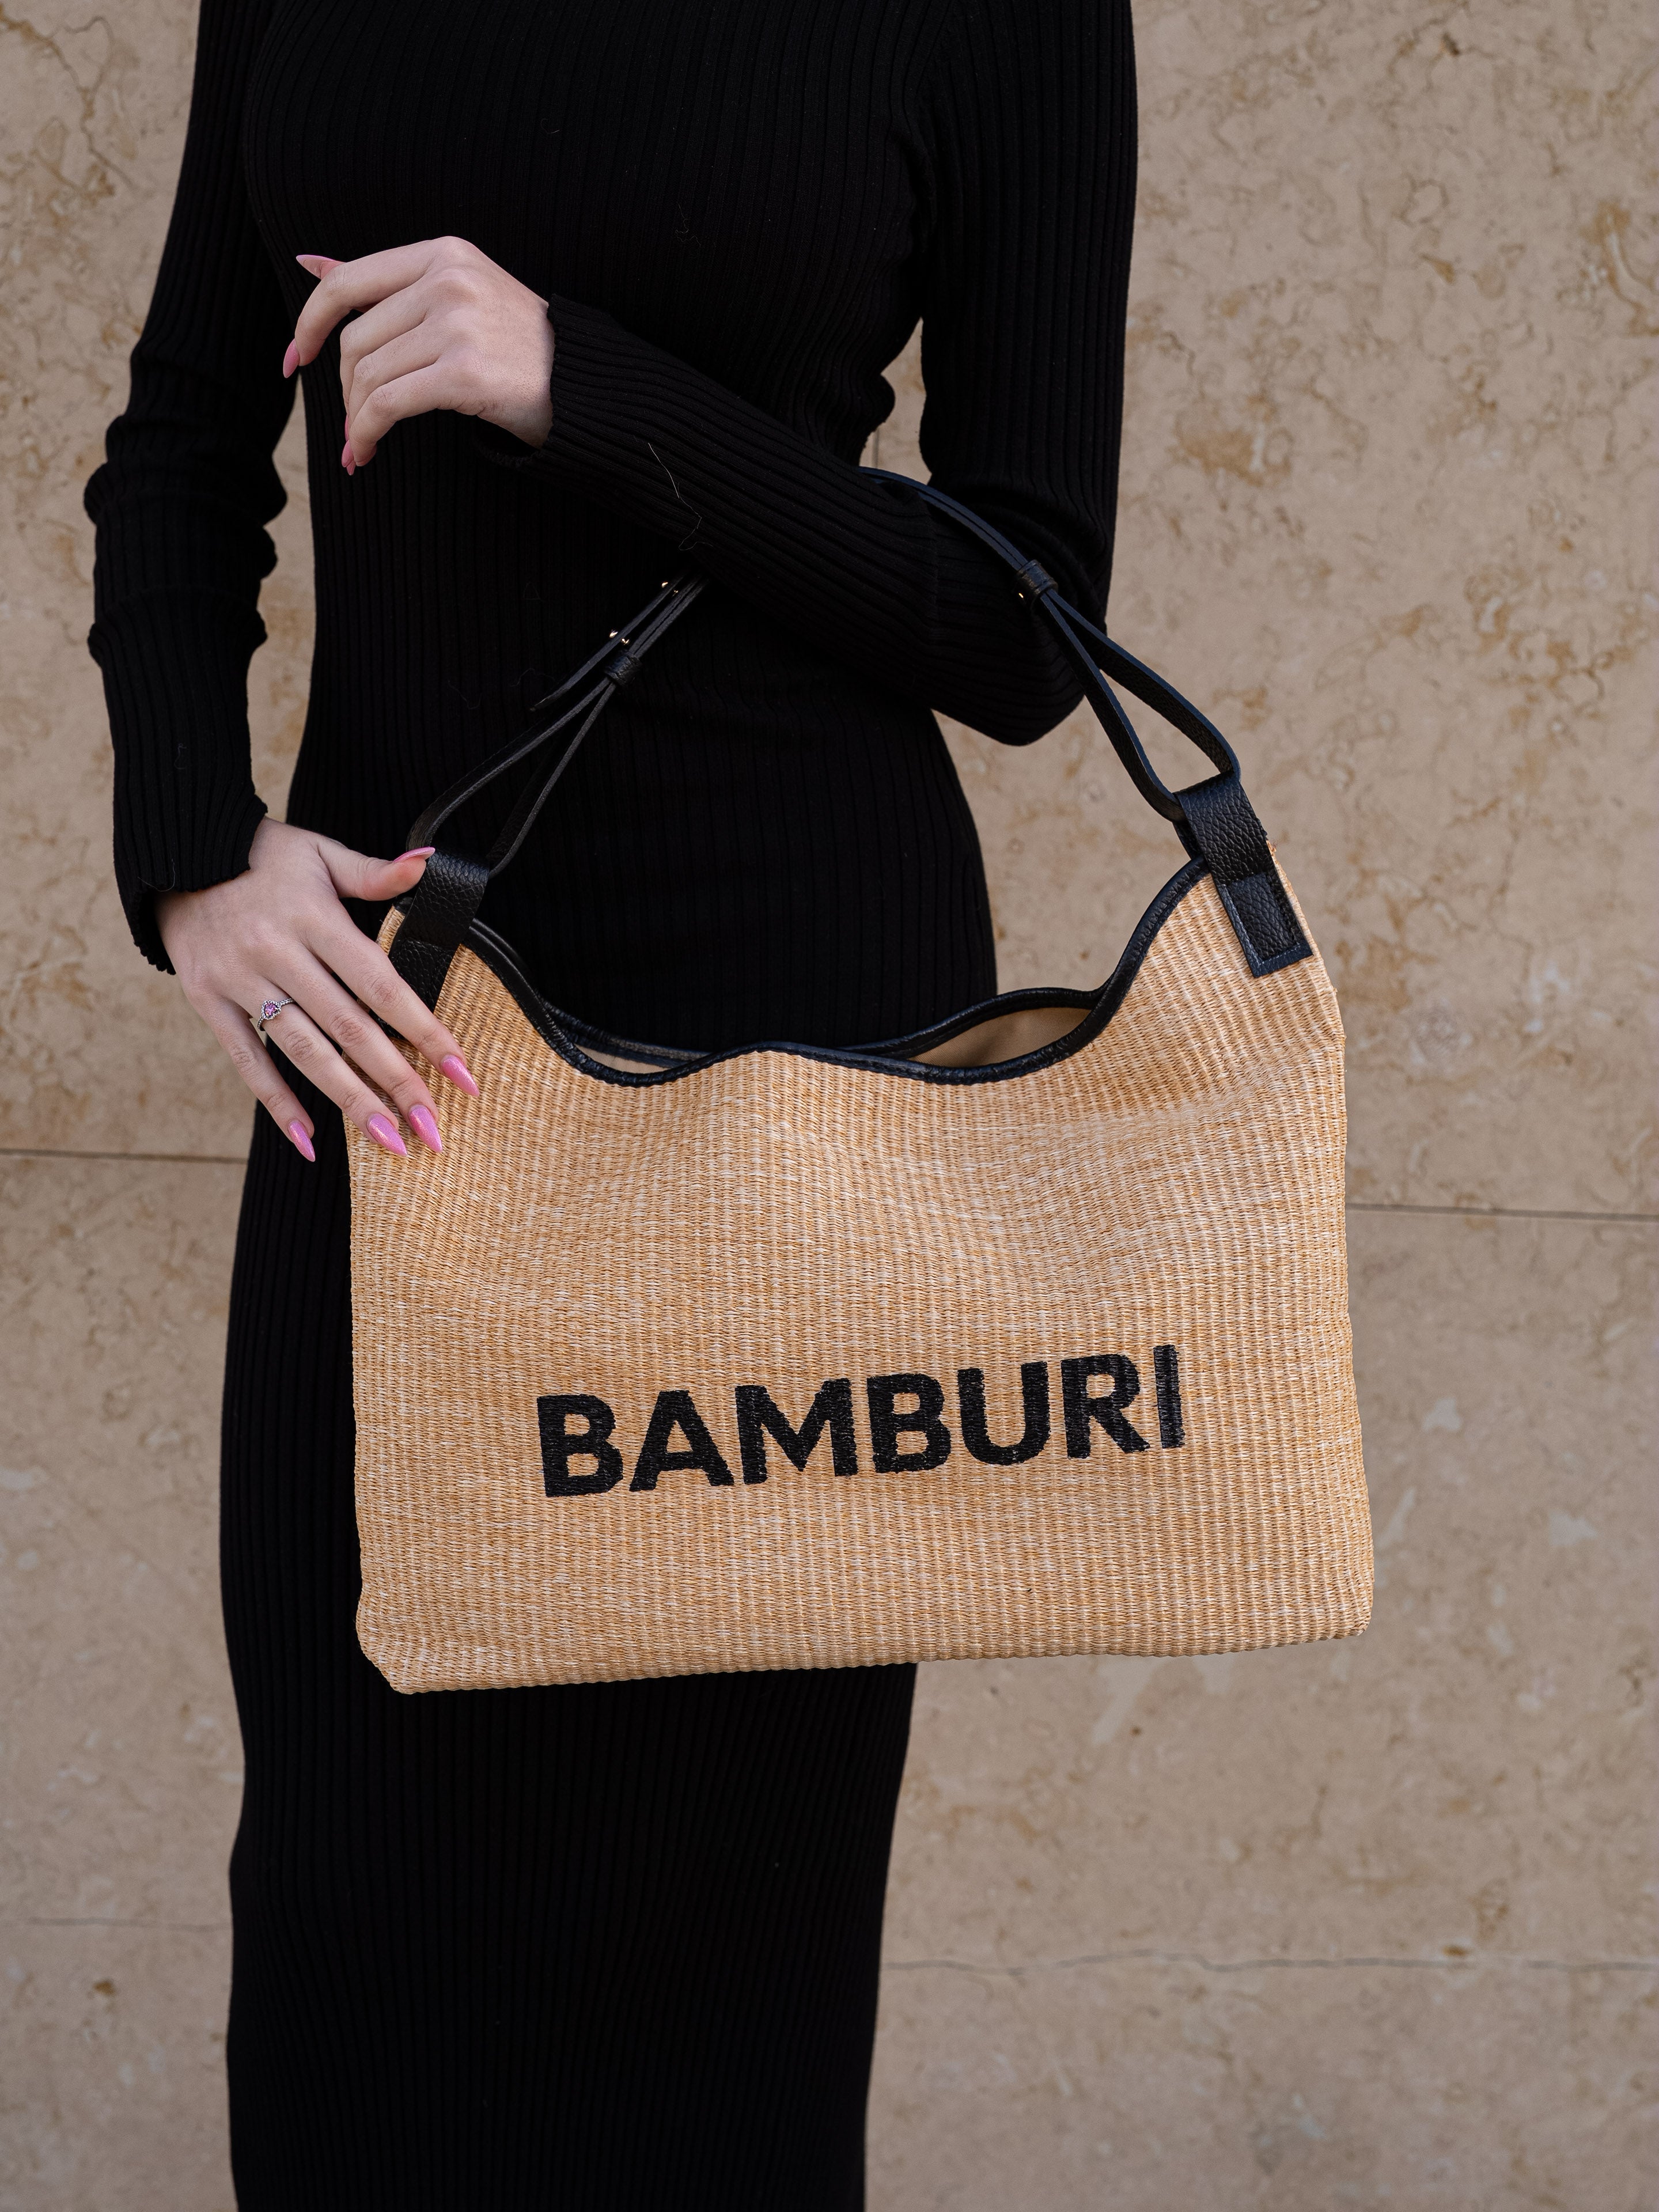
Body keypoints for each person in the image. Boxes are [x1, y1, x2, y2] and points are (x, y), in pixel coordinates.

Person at [85, 0, 1135, 2201]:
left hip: (791, 1047)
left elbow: (1029, 619)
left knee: (713, 1949)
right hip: (402, 1032)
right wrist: (192, 852)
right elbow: (183, 446)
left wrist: (583, 385)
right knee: (362, 1908)